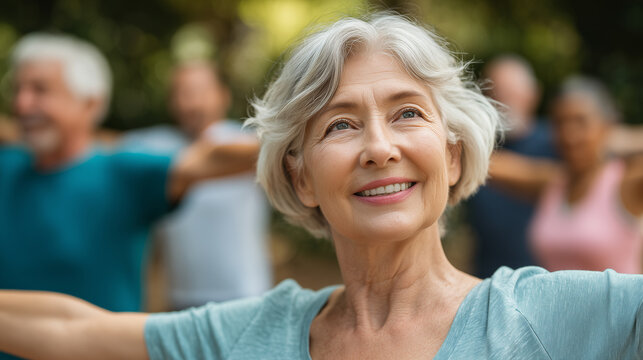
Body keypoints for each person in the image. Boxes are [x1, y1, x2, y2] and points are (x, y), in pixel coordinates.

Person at [0, 14, 641, 360]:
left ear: (450, 152)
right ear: (299, 174)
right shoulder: (257, 334)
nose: (379, 147)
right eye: (340, 124)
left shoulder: (561, 317)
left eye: (408, 113)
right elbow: (70, 330)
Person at [0, 33, 258, 316]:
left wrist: (292, 143)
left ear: (90, 104)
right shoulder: (8, 165)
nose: (21, 105)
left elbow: (206, 158)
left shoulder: (125, 171)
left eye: (41, 90)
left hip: (241, 296)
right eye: (18, 89)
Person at [120, 61, 272, 309]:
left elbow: (276, 149)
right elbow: (105, 149)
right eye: (182, 93)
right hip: (182, 302)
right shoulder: (159, 145)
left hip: (245, 298)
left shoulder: (245, 142)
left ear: (223, 95)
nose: (191, 103)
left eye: (200, 91)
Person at [491, 76, 643, 273]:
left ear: (606, 126)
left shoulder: (626, 182)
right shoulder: (552, 182)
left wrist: (622, 138)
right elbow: (490, 165)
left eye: (581, 122)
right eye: (560, 123)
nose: (569, 134)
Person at [466, 55, 557, 278]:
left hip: (549, 280)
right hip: (489, 280)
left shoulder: (560, 143)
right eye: (495, 94)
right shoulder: (477, 145)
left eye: (512, 93)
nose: (504, 102)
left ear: (534, 94)